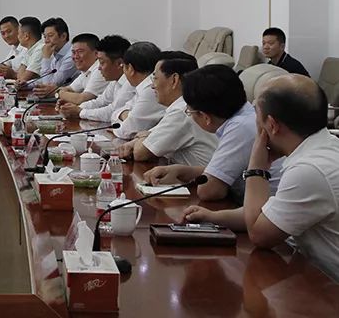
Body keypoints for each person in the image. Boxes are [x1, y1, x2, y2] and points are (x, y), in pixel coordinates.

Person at [183, 75, 339, 282]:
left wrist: (257, 167)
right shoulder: (324, 147)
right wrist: (213, 217)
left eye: (257, 116)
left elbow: (260, 234)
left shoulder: (309, 170)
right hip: (310, 273)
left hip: (326, 287)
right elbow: (268, 216)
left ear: (272, 125)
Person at [144, 64, 281, 201]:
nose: (189, 115)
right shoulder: (246, 115)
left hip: (267, 209)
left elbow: (209, 191)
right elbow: (220, 174)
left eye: (189, 112)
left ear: (205, 117)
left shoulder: (240, 127)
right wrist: (183, 171)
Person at [116, 52, 218, 167]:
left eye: (155, 78)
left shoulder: (183, 111)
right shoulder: (184, 105)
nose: (152, 86)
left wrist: (144, 137)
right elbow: (146, 138)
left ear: (174, 80)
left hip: (200, 178)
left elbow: (140, 153)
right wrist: (145, 137)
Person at [59, 35, 133, 123]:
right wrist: (74, 108)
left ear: (119, 63)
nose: (99, 68)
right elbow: (100, 102)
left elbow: (112, 111)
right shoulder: (115, 81)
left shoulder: (130, 83)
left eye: (102, 62)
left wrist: (80, 112)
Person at [111, 42, 165, 139]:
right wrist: (126, 115)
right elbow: (116, 112)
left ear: (130, 69)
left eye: (124, 67)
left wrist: (125, 117)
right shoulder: (142, 86)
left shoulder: (150, 89)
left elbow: (126, 131)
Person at [55, 33, 107, 105]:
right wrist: (64, 95)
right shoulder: (86, 71)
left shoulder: (100, 69)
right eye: (73, 52)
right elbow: (69, 89)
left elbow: (82, 99)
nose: (76, 56)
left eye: (80, 52)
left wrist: (59, 94)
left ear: (96, 54)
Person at [32, 17, 78, 95]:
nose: (46, 41)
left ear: (63, 36)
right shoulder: (56, 52)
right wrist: (26, 84)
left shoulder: (72, 56)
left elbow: (48, 85)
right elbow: (45, 78)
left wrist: (46, 58)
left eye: (50, 36)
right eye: (45, 36)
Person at [15, 16, 44, 85]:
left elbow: (23, 78)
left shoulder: (40, 49)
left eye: (18, 33)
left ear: (26, 36)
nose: (17, 36)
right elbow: (19, 76)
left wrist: (21, 77)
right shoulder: (30, 49)